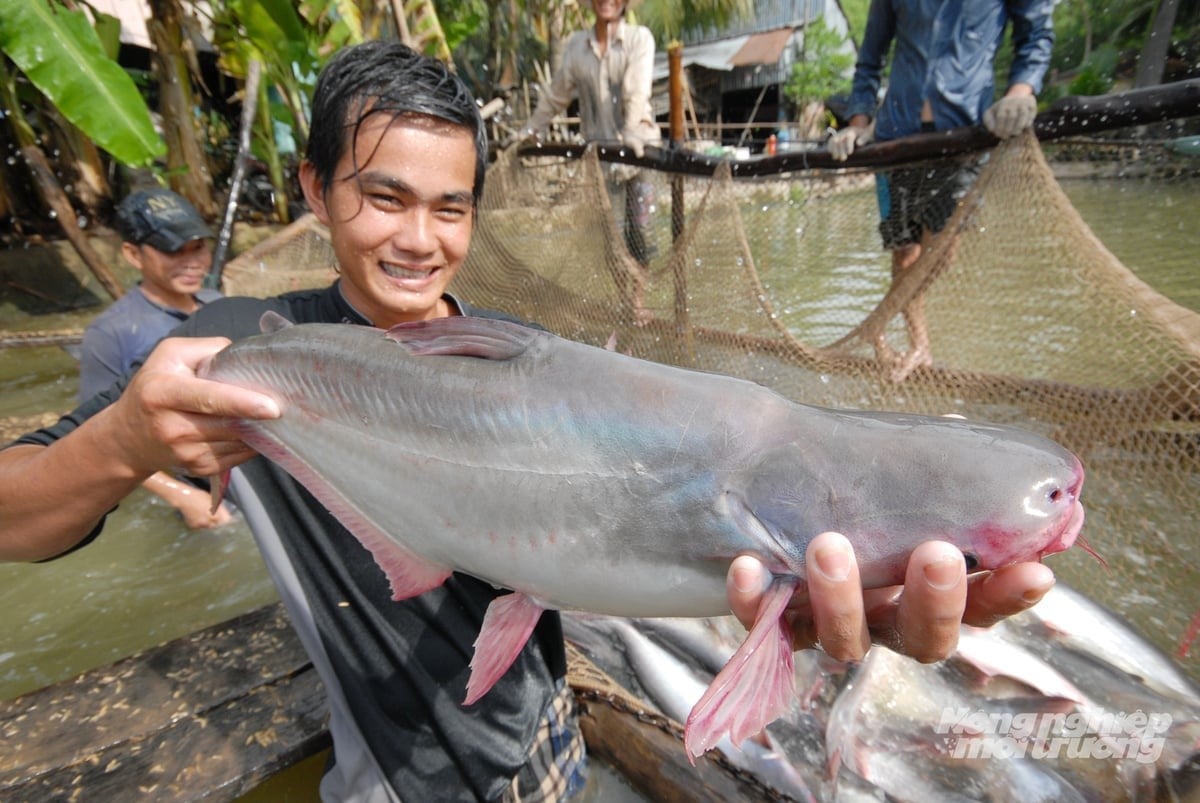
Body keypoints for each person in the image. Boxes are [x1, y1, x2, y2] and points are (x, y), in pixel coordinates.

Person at [0, 41, 1057, 802]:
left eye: (451, 207)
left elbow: (636, 541)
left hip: (541, 743)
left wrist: (787, 617)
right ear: (315, 191)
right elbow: (15, 518)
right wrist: (127, 442)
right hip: (388, 779)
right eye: (384, 197)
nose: (420, 240)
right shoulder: (241, 354)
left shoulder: (519, 352)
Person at [828, 0, 1054, 381]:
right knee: (905, 253)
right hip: (896, 136)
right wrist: (858, 122)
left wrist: (1020, 91)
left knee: (942, 252)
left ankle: (877, 326)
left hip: (966, 132)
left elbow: (1036, 36)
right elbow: (871, 57)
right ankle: (920, 346)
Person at [78, 187, 233, 529]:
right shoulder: (111, 334)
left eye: (198, 248)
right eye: (174, 250)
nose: (193, 262)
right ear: (133, 254)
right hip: (191, 489)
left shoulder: (217, 303)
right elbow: (94, 436)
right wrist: (180, 496)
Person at [519, 0, 660, 322]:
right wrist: (531, 130)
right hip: (599, 159)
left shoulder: (640, 39)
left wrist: (630, 132)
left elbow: (635, 92)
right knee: (611, 237)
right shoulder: (576, 46)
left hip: (639, 152)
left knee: (642, 232)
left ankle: (637, 302)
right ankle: (625, 299)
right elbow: (557, 95)